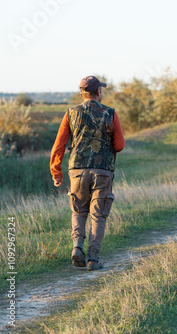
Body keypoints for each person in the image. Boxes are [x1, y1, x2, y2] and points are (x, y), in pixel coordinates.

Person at [50, 75, 126, 271]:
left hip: (77, 170)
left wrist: (56, 171)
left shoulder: (70, 113)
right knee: (98, 215)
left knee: (78, 211)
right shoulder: (110, 113)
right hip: (102, 171)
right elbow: (119, 144)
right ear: (98, 92)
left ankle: (77, 247)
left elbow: (59, 145)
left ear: (82, 93)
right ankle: (93, 259)